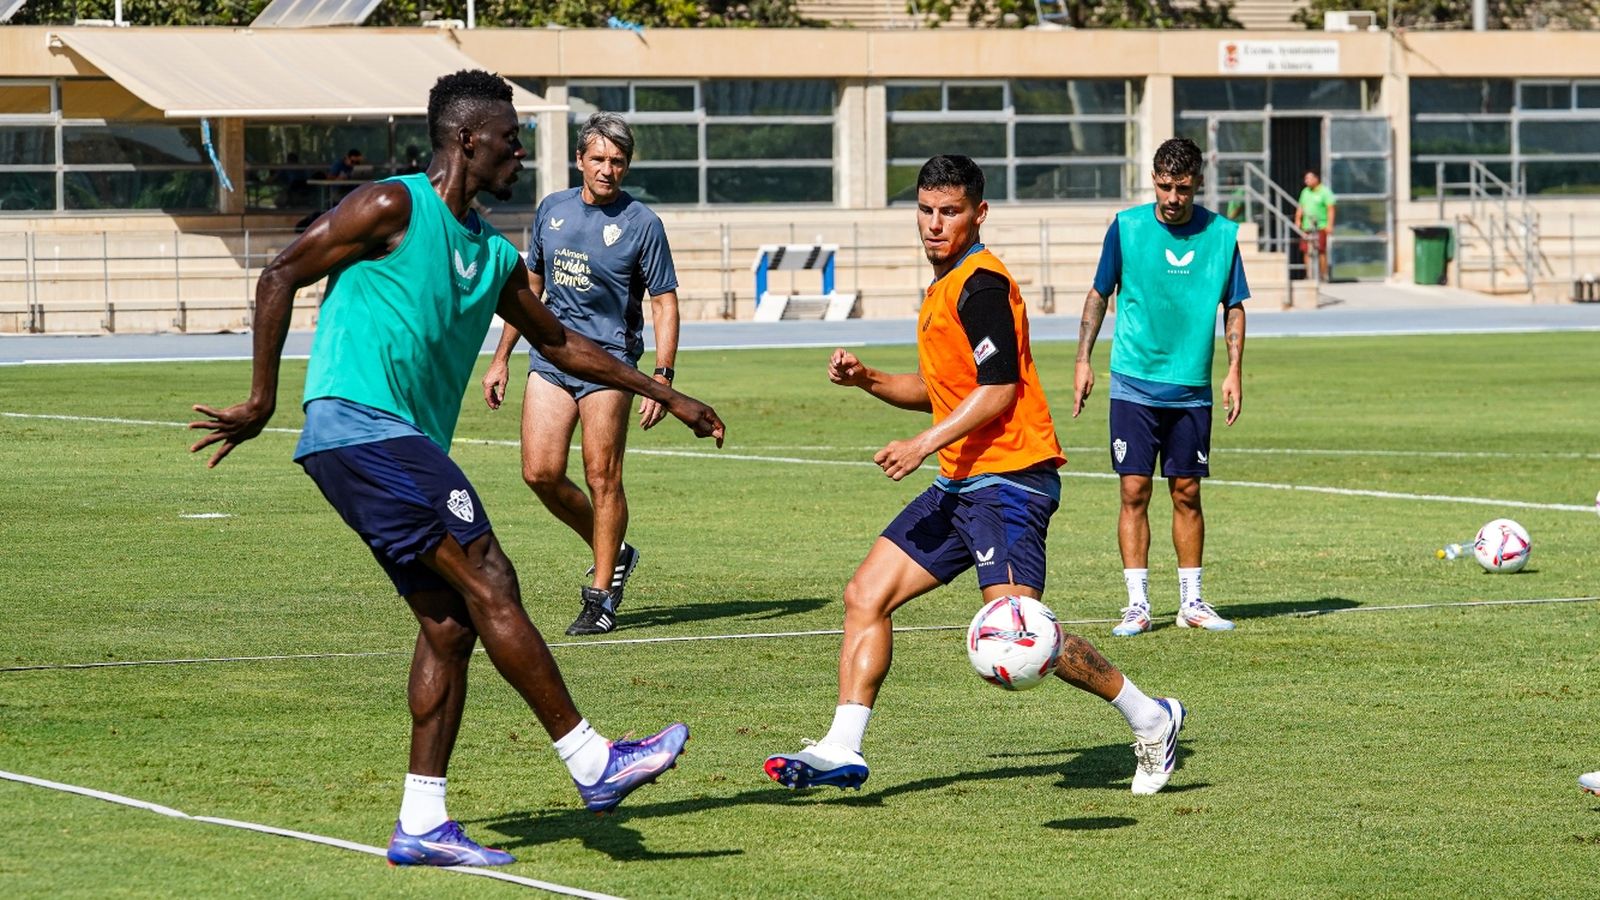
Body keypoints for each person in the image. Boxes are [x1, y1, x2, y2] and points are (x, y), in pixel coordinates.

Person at [188, 70, 725, 868]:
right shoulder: (390, 206)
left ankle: (422, 823)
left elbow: (560, 344)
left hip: (398, 446)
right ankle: (591, 760)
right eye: (511, 139)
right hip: (361, 429)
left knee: (448, 626)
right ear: (468, 140)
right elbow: (280, 274)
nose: (521, 152)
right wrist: (264, 398)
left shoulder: (493, 254)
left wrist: (663, 391)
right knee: (492, 577)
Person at [763, 155, 1187, 797]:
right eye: (926, 211)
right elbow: (944, 390)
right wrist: (869, 380)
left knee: (1021, 631)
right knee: (864, 596)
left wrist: (921, 445)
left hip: (1011, 481)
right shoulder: (944, 285)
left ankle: (1152, 717)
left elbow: (998, 390)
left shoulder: (982, 284)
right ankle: (842, 747)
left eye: (950, 212)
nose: (935, 224)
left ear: (977, 213)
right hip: (961, 482)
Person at [482, 112, 679, 637]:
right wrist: (501, 356)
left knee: (602, 476)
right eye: (598, 159)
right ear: (580, 160)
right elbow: (529, 288)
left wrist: (661, 375)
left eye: (617, 161)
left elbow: (663, 301)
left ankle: (601, 595)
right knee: (539, 472)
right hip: (549, 358)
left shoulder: (643, 224)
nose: (608, 170)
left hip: (611, 364)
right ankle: (614, 546)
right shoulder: (553, 210)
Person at [1072, 137, 1248, 638]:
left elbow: (1233, 306)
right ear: (1154, 180)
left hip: (1191, 386)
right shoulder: (1126, 228)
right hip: (1132, 382)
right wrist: (1083, 361)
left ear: (1198, 185)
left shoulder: (1222, 235)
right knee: (1133, 489)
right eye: (1166, 187)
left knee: (1187, 492)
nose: (1173, 198)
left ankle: (1192, 601)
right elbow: (1099, 294)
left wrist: (1233, 369)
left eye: (1184, 189)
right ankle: (1137, 604)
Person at [1295, 167, 1336, 282]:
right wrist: (1298, 220)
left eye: (1309, 178)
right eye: (1305, 179)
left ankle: (1322, 275)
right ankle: (1309, 274)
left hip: (1320, 226)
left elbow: (1331, 209)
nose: (1306, 181)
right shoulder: (1305, 192)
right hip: (1307, 226)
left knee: (1321, 250)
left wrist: (1329, 225)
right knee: (1306, 250)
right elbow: (1300, 207)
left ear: (1316, 178)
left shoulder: (1325, 192)